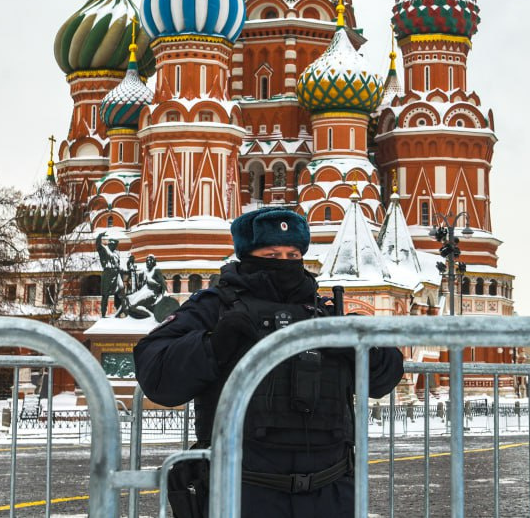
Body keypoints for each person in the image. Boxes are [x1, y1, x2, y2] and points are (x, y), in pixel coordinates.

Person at [133, 207, 404, 518]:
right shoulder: (215, 308)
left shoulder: (324, 313)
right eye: (272, 255)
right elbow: (156, 372)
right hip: (242, 494)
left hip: (329, 491)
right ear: (248, 255)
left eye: (292, 255)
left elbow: (387, 374)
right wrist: (213, 345)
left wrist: (359, 348)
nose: (284, 263)